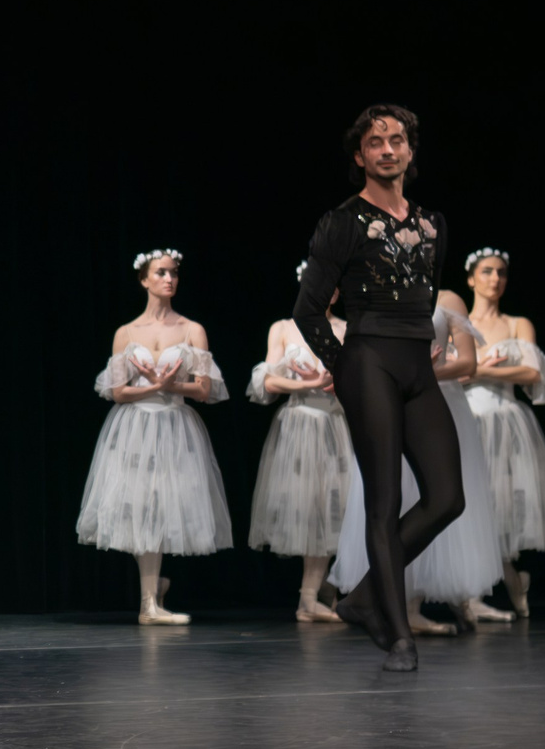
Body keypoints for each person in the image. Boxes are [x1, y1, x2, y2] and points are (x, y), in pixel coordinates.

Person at [291, 104, 463, 671]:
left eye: (397, 140)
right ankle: (399, 638)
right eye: (375, 142)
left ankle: (364, 598)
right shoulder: (342, 222)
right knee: (384, 501)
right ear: (360, 155)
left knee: (447, 498)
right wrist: (344, 367)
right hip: (368, 364)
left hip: (416, 365)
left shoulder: (433, 223)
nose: (387, 149)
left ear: (411, 151)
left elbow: (428, 295)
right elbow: (308, 310)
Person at [328, 291, 507, 635]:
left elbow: (468, 363)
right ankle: (397, 604)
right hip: (388, 401)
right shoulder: (379, 292)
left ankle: (417, 604)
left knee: (440, 499)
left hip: (437, 399)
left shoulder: (449, 300)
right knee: (397, 497)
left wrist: (424, 371)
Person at [75, 250, 232, 624]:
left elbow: (204, 390)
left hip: (174, 425)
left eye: (174, 273)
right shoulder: (126, 333)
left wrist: (169, 386)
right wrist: (153, 387)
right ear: (144, 279)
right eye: (161, 273)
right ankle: (150, 601)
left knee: (164, 504)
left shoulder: (192, 329)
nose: (169, 279)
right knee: (141, 504)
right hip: (135, 427)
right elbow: (117, 392)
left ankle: (151, 596)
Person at [246, 263, 354, 622]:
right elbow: (268, 381)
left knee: (336, 506)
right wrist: (308, 383)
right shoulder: (284, 328)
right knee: (310, 506)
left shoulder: (347, 328)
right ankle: (309, 598)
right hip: (300, 423)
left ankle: (323, 589)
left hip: (336, 422)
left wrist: (337, 381)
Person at [459, 249, 545, 619]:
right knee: (468, 504)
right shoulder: (458, 324)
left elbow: (532, 373)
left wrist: (479, 370)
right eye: (487, 271)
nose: (495, 279)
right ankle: (477, 593)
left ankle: (509, 581)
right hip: (465, 420)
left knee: (498, 505)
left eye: (501, 272)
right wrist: (469, 370)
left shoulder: (517, 324)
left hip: (505, 422)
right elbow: (443, 374)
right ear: (471, 278)